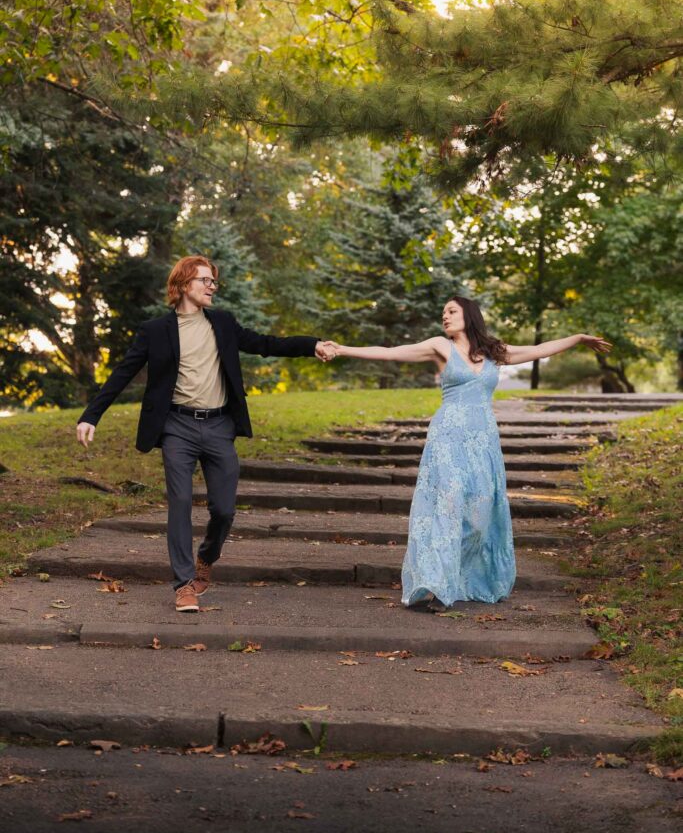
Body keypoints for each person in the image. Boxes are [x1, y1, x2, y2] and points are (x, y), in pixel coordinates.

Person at [76, 255, 336, 612]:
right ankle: (183, 584)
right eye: (205, 281)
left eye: (214, 282)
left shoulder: (223, 324)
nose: (212, 286)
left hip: (218, 426)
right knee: (180, 502)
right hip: (177, 427)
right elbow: (122, 373)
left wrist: (312, 344)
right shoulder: (155, 331)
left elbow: (266, 343)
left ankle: (206, 557)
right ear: (183, 285)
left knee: (225, 509)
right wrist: (91, 415)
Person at [325, 297, 610, 610]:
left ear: (469, 315)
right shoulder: (440, 346)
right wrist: (342, 349)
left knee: (478, 516)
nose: (444, 316)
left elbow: (538, 349)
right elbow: (390, 353)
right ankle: (435, 585)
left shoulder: (493, 352)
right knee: (447, 509)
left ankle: (464, 579)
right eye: (443, 312)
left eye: (451, 311)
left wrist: (578, 339)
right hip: (447, 439)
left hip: (483, 441)